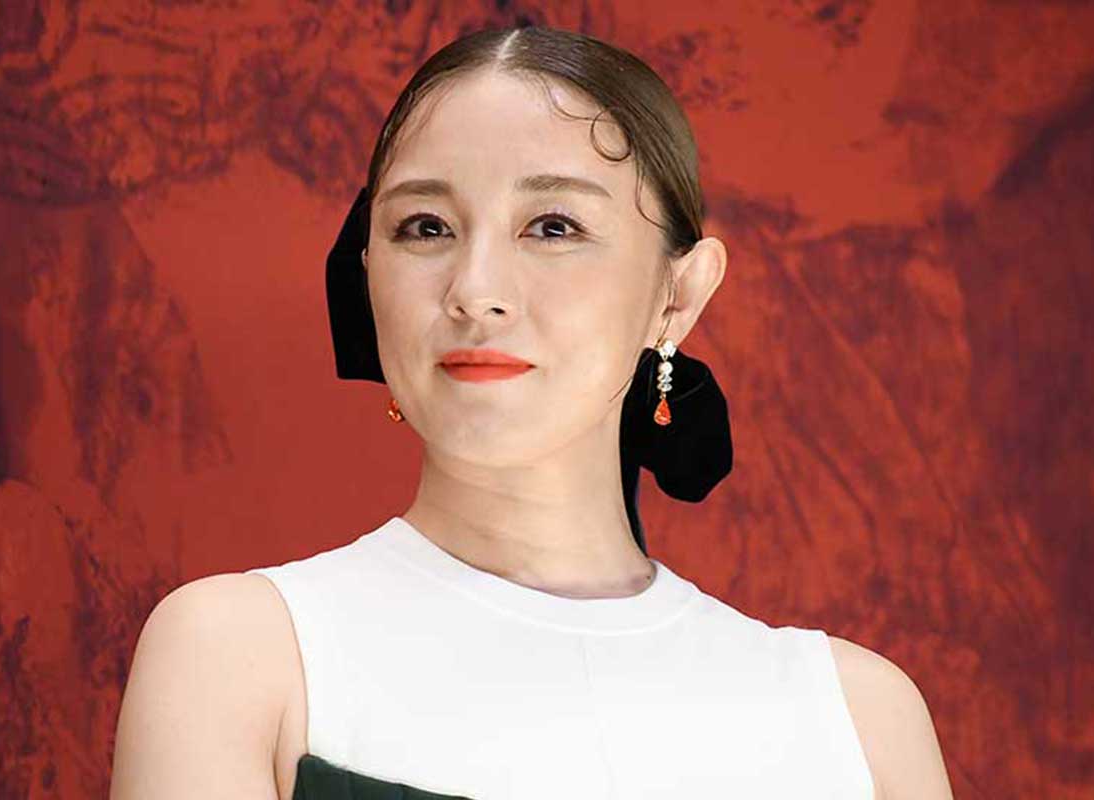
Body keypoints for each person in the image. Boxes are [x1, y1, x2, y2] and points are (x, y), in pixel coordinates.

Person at [109, 24, 954, 800]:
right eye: (425, 227)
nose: (475, 291)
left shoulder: (859, 720)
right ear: (368, 277)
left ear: (679, 295)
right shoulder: (242, 657)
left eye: (553, 227)